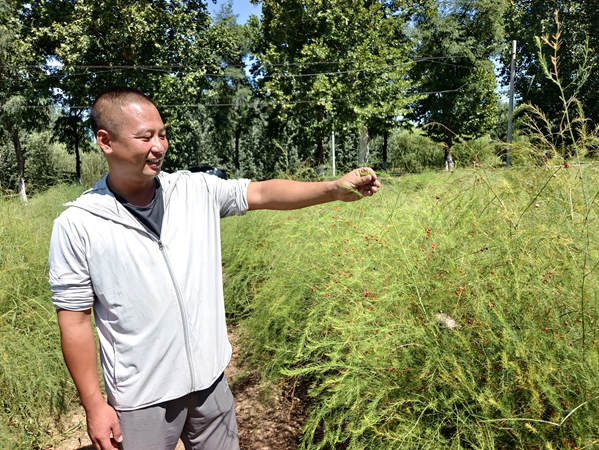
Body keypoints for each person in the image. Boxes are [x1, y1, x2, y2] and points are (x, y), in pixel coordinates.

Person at [49, 87, 380, 450]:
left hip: (210, 385)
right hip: (141, 400)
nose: (159, 146)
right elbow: (75, 320)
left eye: (162, 134)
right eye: (145, 137)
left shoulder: (195, 191)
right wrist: (95, 406)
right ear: (105, 141)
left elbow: (262, 193)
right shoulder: (79, 224)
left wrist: (332, 189)